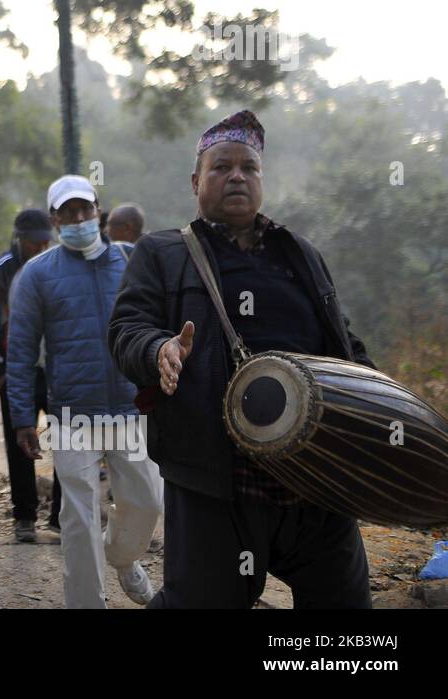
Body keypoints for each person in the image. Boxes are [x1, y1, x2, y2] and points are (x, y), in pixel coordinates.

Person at [109, 110, 374, 608]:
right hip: (217, 478)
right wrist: (159, 349)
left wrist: (381, 402)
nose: (236, 176)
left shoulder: (300, 253)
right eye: (221, 166)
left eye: (248, 168)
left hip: (314, 474)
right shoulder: (164, 254)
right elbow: (127, 330)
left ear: (261, 179)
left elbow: (345, 345)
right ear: (195, 181)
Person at [7, 175, 163, 608]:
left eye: (85, 210)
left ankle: (123, 557)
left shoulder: (130, 260)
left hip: (131, 408)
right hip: (72, 414)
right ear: (55, 220)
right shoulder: (37, 274)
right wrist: (23, 419)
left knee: (148, 501)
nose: (78, 218)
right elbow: (21, 351)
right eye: (68, 212)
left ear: (98, 212)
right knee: (77, 519)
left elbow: (157, 325)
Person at [0, 209, 59, 540]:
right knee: (19, 443)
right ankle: (24, 517)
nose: (40, 249)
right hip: (16, 372)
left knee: (66, 441)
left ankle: (59, 518)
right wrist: (0, 368)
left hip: (54, 372)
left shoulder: (58, 267)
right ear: (19, 239)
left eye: (44, 243)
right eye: (33, 243)